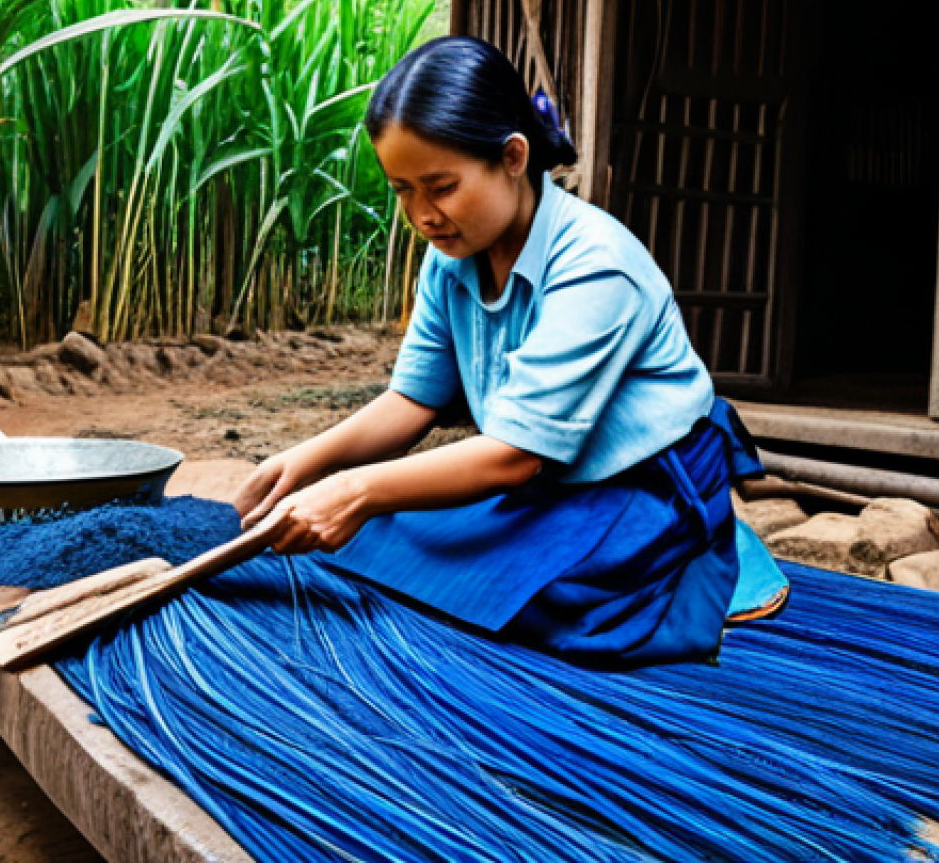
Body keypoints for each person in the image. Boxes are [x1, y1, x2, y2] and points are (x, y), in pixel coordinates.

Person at [234, 36, 787, 665]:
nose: (422, 215)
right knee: (370, 544)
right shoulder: (451, 257)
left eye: (440, 186)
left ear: (513, 157)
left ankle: (708, 544)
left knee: (549, 605)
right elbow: (412, 400)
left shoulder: (597, 265)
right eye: (402, 190)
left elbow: (515, 457)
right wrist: (304, 462)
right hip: (542, 480)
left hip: (635, 484)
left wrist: (355, 490)